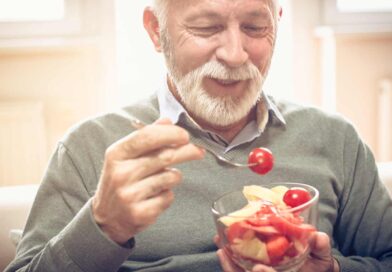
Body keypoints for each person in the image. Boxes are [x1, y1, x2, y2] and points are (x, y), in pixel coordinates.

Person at [5, 0, 392, 271]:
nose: (235, 54)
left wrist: (334, 270)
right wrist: (103, 224)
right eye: (207, 27)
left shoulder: (335, 138)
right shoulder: (88, 148)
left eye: (256, 28)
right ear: (157, 32)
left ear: (277, 23)